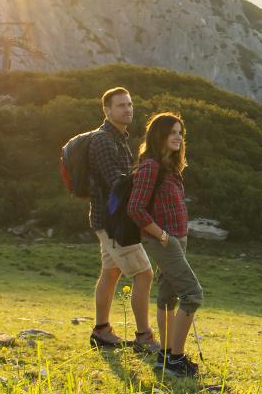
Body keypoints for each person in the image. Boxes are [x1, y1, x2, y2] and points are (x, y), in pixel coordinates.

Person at [127, 111, 204, 378]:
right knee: (192, 294)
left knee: (168, 296)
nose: (178, 138)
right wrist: (162, 236)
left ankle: (165, 356)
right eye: (172, 132)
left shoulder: (170, 167)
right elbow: (135, 209)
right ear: (158, 135)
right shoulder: (151, 166)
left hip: (175, 240)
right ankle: (176, 359)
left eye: (180, 133)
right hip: (165, 241)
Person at [87, 87, 156, 351]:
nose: (127, 109)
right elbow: (116, 182)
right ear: (106, 110)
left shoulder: (118, 138)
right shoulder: (104, 141)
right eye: (120, 105)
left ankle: (101, 331)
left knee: (111, 272)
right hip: (114, 223)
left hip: (109, 220)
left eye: (129, 104)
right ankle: (143, 336)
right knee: (144, 273)